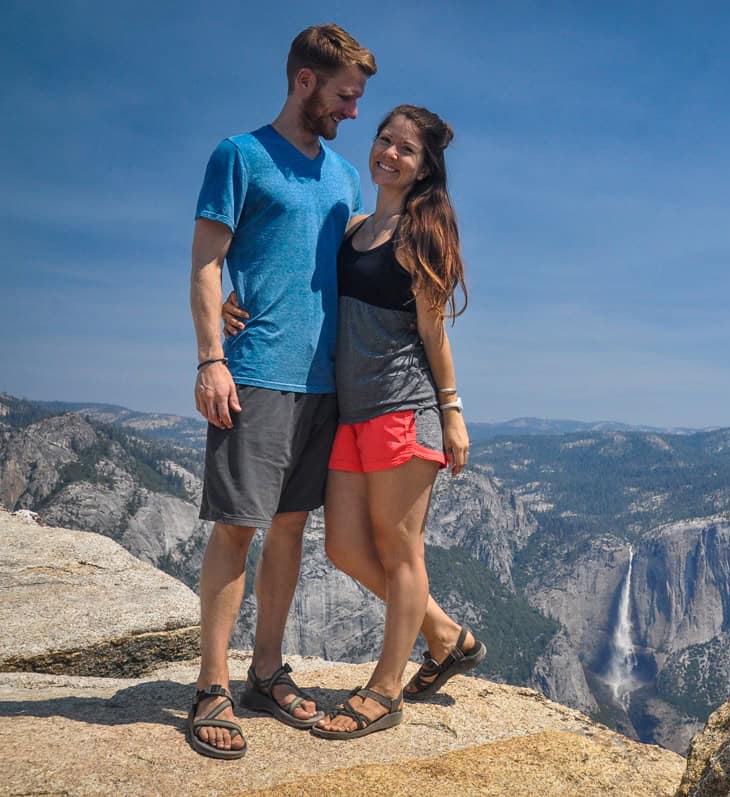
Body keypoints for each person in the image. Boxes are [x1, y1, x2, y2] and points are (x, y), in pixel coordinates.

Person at [221, 105, 485, 740]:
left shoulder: (423, 234)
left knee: (400, 552)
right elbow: (300, 278)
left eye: (406, 151)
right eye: (384, 141)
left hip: (403, 407)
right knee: (342, 546)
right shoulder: (355, 227)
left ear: (424, 170)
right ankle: (445, 635)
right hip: (350, 412)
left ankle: (386, 689)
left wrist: (452, 413)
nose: (389, 155)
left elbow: (433, 330)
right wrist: (242, 295)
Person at [187, 23, 376, 760]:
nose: (353, 112)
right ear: (305, 81)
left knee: (292, 527)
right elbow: (207, 262)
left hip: (324, 380)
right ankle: (210, 684)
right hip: (258, 369)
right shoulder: (239, 155)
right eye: (345, 96)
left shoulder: (343, 177)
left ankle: (266, 671)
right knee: (238, 526)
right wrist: (211, 357)